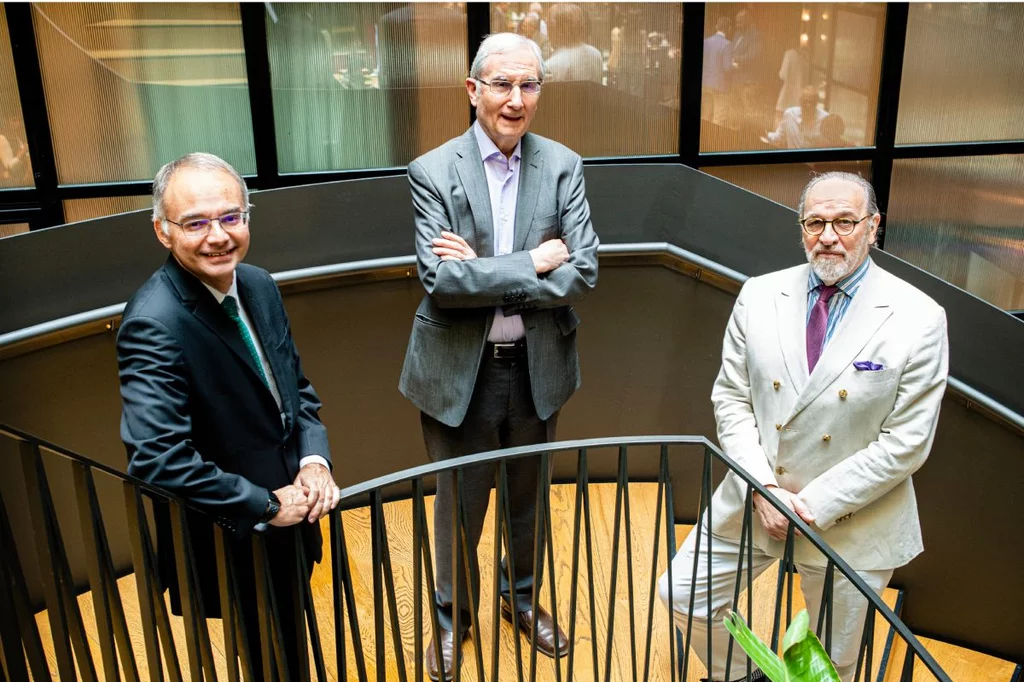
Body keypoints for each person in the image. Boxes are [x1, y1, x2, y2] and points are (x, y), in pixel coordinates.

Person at [658, 172, 949, 682]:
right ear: (801, 227)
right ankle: (743, 676)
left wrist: (809, 508)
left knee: (830, 662)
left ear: (873, 227)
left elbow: (907, 442)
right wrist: (765, 489)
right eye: (815, 222)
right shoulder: (760, 294)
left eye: (844, 221)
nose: (828, 235)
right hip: (756, 496)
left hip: (852, 519)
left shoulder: (919, 317)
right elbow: (731, 398)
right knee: (683, 594)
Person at [398, 32, 599, 681]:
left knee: (527, 498)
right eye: (502, 84)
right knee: (460, 506)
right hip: (464, 373)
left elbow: (585, 270)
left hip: (538, 367)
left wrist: (486, 270)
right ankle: (453, 621)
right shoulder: (433, 170)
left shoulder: (564, 166)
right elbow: (442, 284)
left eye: (529, 85)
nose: (516, 100)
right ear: (473, 89)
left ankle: (521, 599)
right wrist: (536, 261)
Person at [118, 152, 340, 680]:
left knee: (288, 641)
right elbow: (156, 458)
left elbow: (295, 391)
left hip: (292, 514)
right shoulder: (153, 322)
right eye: (195, 222)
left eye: (230, 217)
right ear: (162, 232)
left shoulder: (258, 283)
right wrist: (264, 504)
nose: (217, 236)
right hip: (235, 532)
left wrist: (315, 461)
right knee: (268, 656)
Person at [545, 3, 603, 84]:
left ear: (561, 30)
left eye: (549, 26)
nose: (547, 33)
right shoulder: (596, 53)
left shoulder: (552, 65)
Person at [702, 17, 733, 127]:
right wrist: (734, 64)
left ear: (716, 27)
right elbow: (727, 68)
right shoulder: (727, 44)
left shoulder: (705, 41)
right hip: (719, 86)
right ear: (729, 29)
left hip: (705, 84)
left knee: (705, 117)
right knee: (718, 120)